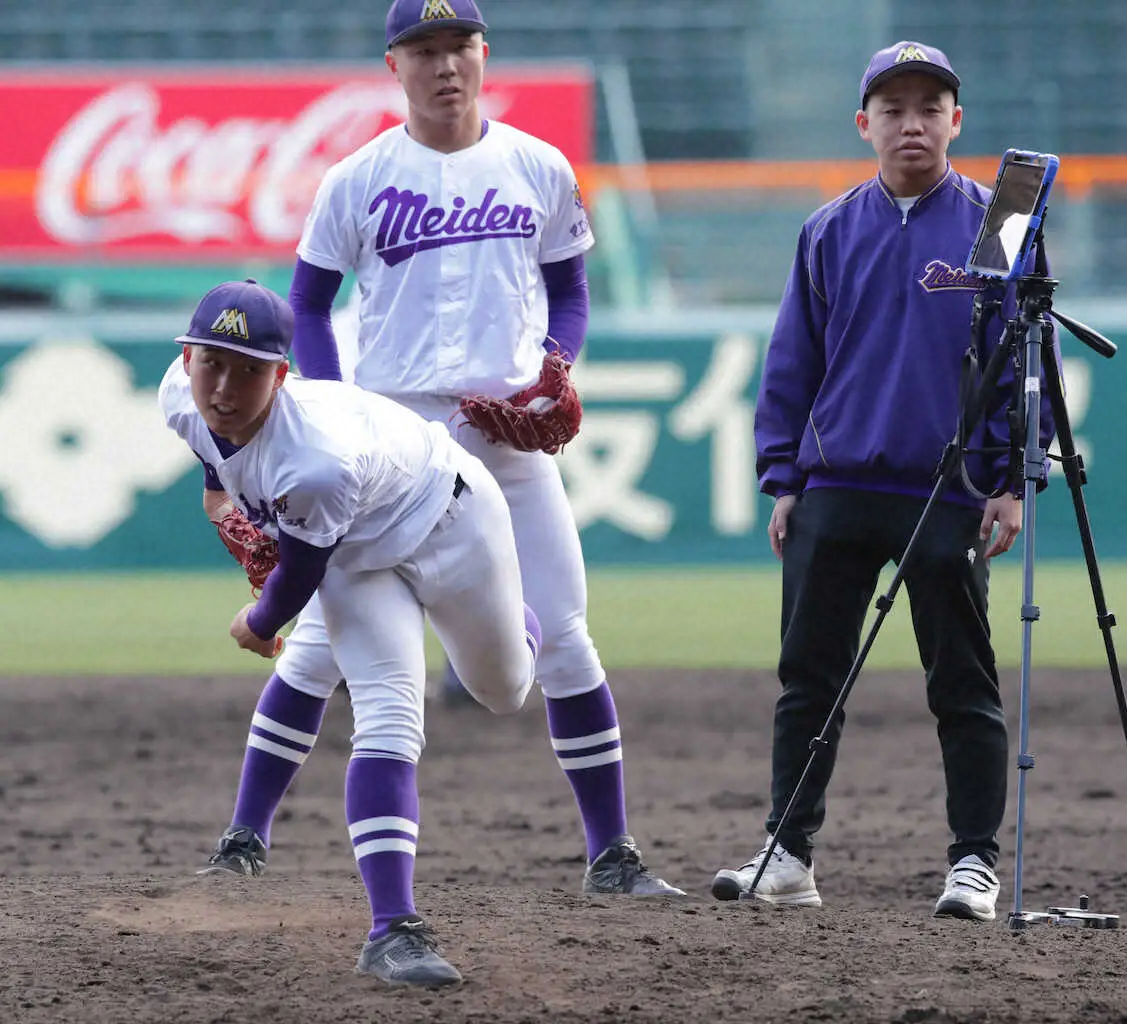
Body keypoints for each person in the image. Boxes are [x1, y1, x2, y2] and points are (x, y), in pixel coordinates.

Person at [197, 0, 683, 899]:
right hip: (390, 442)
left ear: (483, 53)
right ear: (395, 65)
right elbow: (306, 303)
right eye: (422, 49)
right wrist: (334, 408)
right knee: (315, 649)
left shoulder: (538, 166)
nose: (444, 64)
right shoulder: (358, 176)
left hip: (504, 434)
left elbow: (569, 289)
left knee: (567, 637)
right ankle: (244, 836)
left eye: (457, 45)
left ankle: (613, 855)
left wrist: (556, 362)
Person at [710, 41, 1055, 922]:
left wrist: (1014, 478)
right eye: (894, 108)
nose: (913, 123)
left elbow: (1027, 362)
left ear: (955, 122)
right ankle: (788, 854)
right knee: (807, 681)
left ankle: (973, 864)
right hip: (836, 487)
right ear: (865, 123)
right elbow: (793, 362)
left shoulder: (999, 224)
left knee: (963, 687)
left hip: (950, 491)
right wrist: (784, 477)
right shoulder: (828, 228)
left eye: (930, 107)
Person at [162, 278, 543, 987]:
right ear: (186, 359)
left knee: (505, 690)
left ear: (283, 375)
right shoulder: (178, 397)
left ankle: (519, 622)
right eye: (212, 362)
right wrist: (223, 510)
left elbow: (297, 577)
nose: (224, 386)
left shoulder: (313, 463)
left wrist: (259, 621)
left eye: (250, 370)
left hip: (450, 521)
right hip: (359, 561)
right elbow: (215, 466)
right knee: (391, 714)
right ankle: (390, 926)